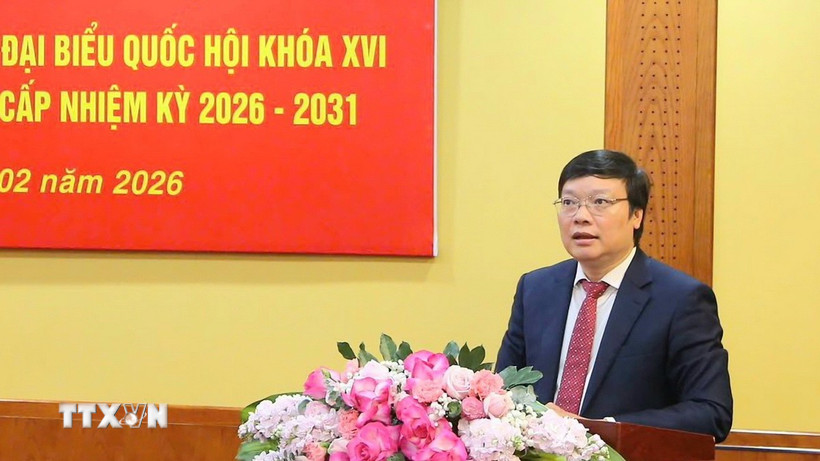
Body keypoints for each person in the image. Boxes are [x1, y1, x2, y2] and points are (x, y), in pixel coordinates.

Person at [495, 149, 733, 442]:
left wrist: (601, 428)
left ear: (637, 215)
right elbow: (503, 391)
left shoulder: (681, 299)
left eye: (600, 202)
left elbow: (711, 413)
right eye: (569, 202)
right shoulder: (535, 288)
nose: (580, 216)